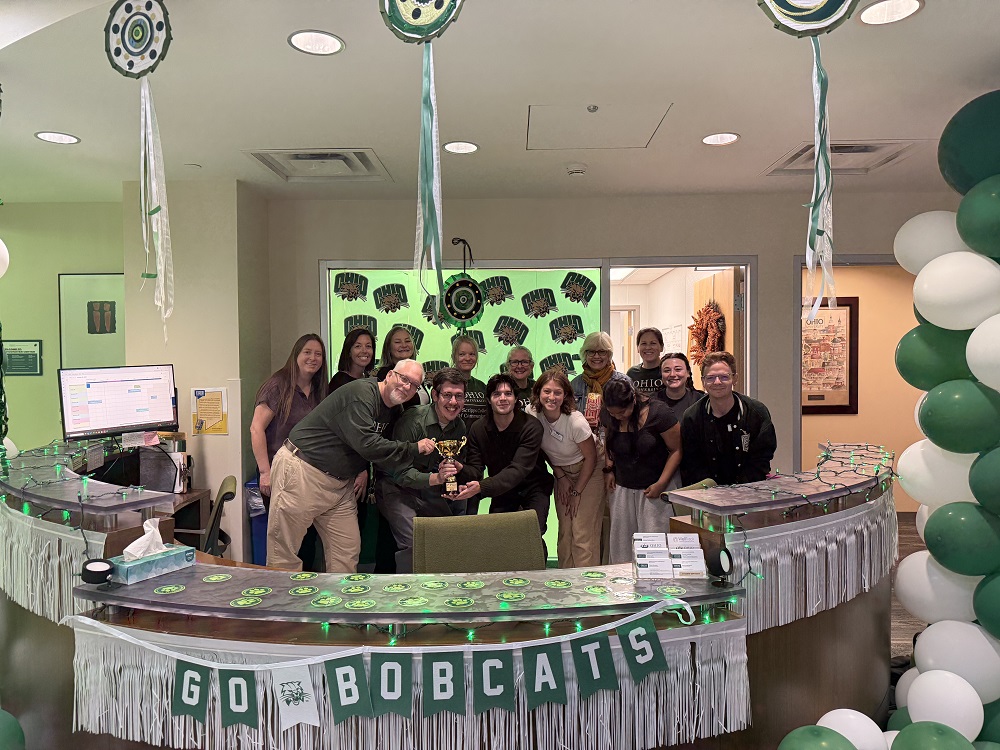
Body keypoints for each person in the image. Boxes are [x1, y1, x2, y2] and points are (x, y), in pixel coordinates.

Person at [266, 359, 436, 572]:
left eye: (414, 384)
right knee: (284, 554)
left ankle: (341, 603)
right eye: (404, 379)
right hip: (303, 470)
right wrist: (414, 448)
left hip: (340, 483)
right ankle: (283, 604)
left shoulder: (392, 408)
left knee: (346, 552)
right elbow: (367, 444)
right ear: (390, 375)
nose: (407, 387)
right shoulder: (362, 395)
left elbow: (374, 448)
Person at [378, 368, 475, 573]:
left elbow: (452, 466)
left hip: (429, 489)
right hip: (396, 488)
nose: (453, 402)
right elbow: (400, 473)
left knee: (446, 538)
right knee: (415, 543)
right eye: (447, 395)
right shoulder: (412, 421)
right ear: (435, 395)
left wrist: (450, 478)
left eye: (459, 396)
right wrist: (436, 477)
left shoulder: (459, 427)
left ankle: (443, 593)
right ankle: (410, 595)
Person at [250, 334, 329, 570]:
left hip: (309, 476)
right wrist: (265, 472)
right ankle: (286, 597)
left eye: (318, 354)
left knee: (308, 539)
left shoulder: (319, 389)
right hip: (279, 472)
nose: (313, 358)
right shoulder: (278, 385)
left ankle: (308, 594)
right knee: (285, 543)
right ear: (296, 354)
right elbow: (256, 428)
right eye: (307, 352)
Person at [454, 374, 553, 548]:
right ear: (489, 399)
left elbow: (518, 470)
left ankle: (537, 570)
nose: (503, 399)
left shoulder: (532, 426)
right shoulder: (478, 429)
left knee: (532, 534)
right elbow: (476, 470)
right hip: (502, 491)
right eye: (496, 394)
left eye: (508, 394)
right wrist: (461, 469)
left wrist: (481, 487)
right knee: (498, 540)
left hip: (534, 488)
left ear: (516, 399)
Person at [600, 378, 682, 563]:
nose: (617, 417)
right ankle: (622, 587)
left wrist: (661, 483)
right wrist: (609, 469)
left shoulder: (659, 413)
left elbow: (676, 450)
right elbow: (609, 442)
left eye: (622, 412)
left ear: (633, 400)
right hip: (623, 488)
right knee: (622, 545)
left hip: (654, 488)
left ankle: (657, 588)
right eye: (613, 414)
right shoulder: (608, 414)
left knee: (655, 545)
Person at [527, 369, 601, 568]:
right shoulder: (532, 413)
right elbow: (543, 451)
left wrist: (577, 491)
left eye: (557, 392)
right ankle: (565, 583)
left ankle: (586, 586)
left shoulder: (575, 422)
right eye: (547, 391)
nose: (552, 397)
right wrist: (560, 476)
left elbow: (591, 459)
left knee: (581, 531)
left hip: (588, 470)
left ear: (566, 395)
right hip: (562, 472)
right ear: (538, 392)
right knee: (565, 530)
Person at [570, 331, 630, 563]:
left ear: (610, 354)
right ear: (584, 354)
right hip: (587, 456)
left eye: (602, 351)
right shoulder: (574, 384)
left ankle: (614, 569)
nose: (597, 356)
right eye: (592, 351)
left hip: (616, 453)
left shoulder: (623, 382)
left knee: (616, 520)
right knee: (589, 522)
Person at [679, 351, 777, 486]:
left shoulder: (756, 413)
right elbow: (692, 462)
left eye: (724, 377)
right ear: (703, 381)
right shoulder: (692, 417)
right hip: (707, 493)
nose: (717, 382)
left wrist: (739, 490)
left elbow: (762, 457)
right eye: (710, 377)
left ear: (735, 378)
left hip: (749, 490)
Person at [375, 326, 428, 409]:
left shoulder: (416, 373)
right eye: (397, 342)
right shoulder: (384, 374)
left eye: (407, 341)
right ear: (388, 347)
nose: (404, 345)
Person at [653, 352, 704, 422]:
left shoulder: (700, 400)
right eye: (667, 370)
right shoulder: (651, 402)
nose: (672, 374)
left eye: (678, 369)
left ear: (688, 372)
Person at [452, 335, 488, 429]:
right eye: (462, 354)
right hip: (452, 441)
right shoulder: (446, 385)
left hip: (478, 441)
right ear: (453, 357)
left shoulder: (482, 387)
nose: (467, 358)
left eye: (472, 354)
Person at [626, 328, 664, 397]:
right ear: (638, 348)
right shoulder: (631, 373)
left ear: (661, 347)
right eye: (643, 343)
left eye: (653, 343)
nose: (648, 347)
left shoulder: (668, 372)